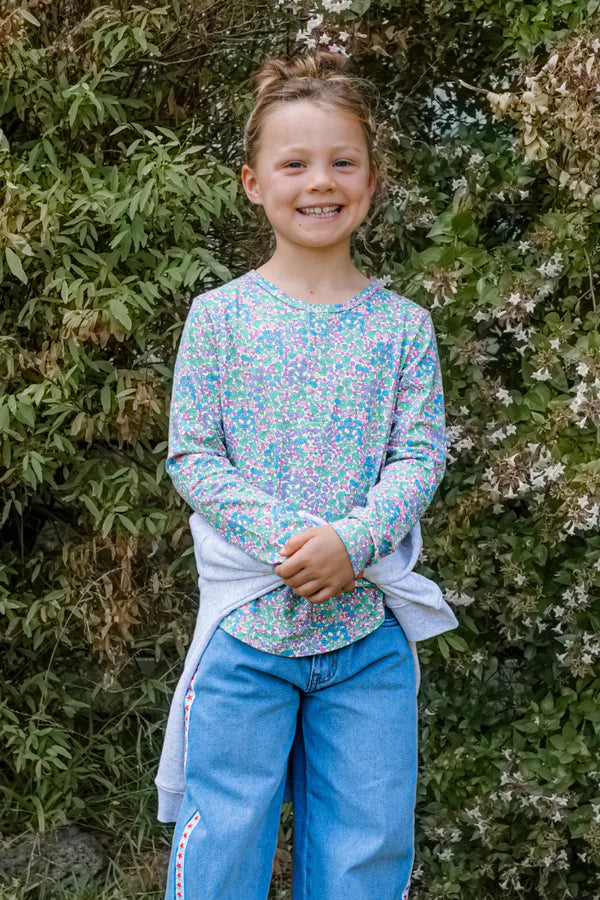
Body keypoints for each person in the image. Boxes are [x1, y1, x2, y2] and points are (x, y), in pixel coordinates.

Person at [162, 49, 448, 900]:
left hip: (366, 643)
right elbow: (193, 454)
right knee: (223, 845)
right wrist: (298, 544)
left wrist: (351, 544)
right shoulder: (218, 318)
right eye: (295, 164)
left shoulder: (403, 327)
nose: (320, 181)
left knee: (366, 848)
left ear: (371, 181)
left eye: (342, 162)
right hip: (246, 633)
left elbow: (419, 455)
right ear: (254, 184)